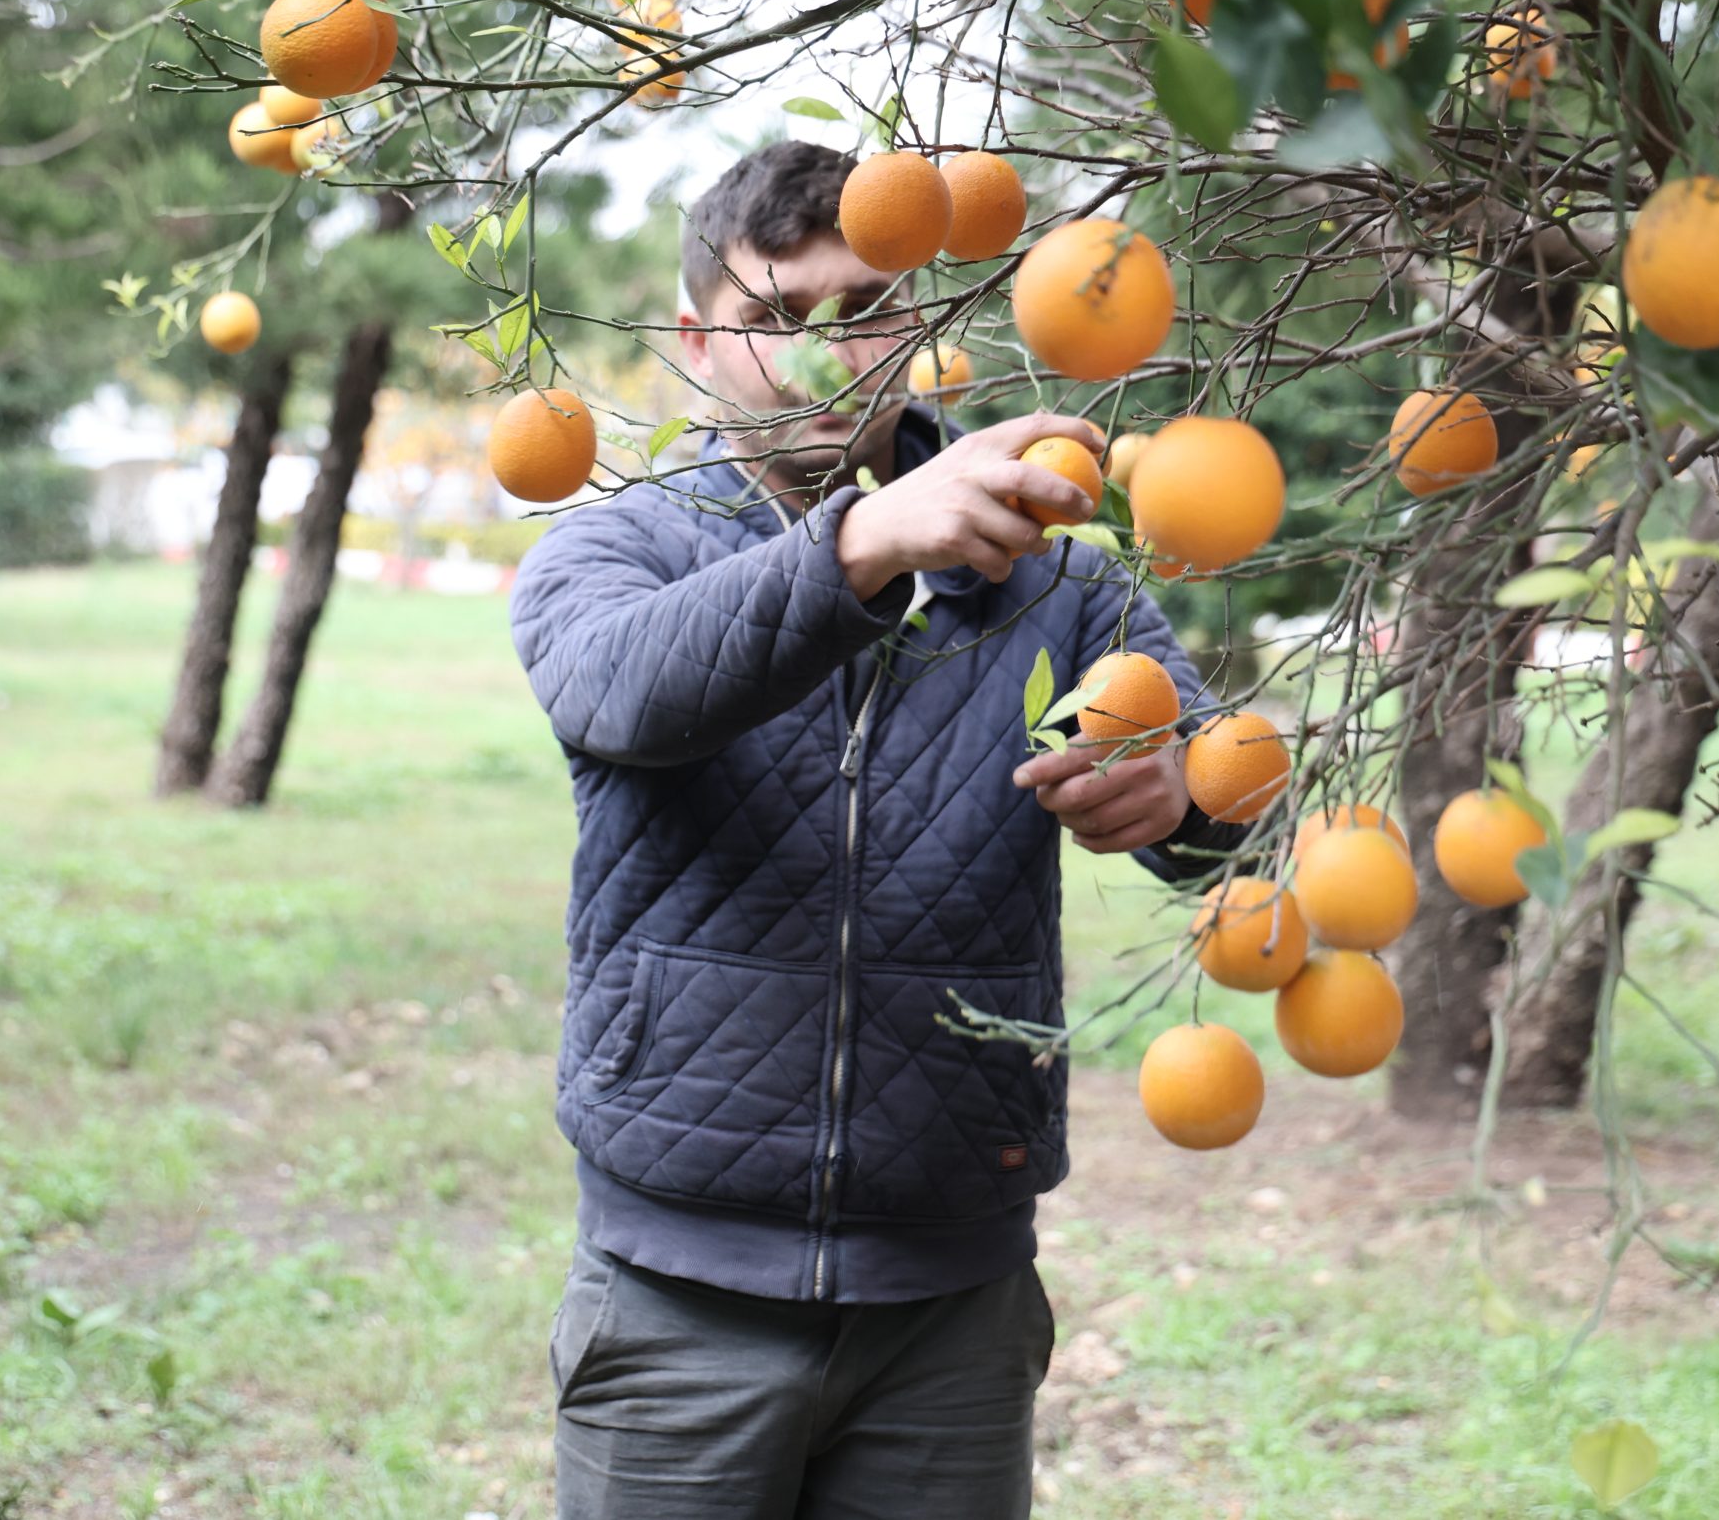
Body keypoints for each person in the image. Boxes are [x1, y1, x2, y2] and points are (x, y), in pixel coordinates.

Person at [508, 140, 1233, 1518]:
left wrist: (1187, 798)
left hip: (950, 1307)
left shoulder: (1059, 584)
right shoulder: (617, 549)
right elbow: (620, 696)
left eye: (867, 310)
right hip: (674, 1297)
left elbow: (1224, 822)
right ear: (697, 342)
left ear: (921, 325)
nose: (827, 356)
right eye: (780, 316)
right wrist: (869, 541)